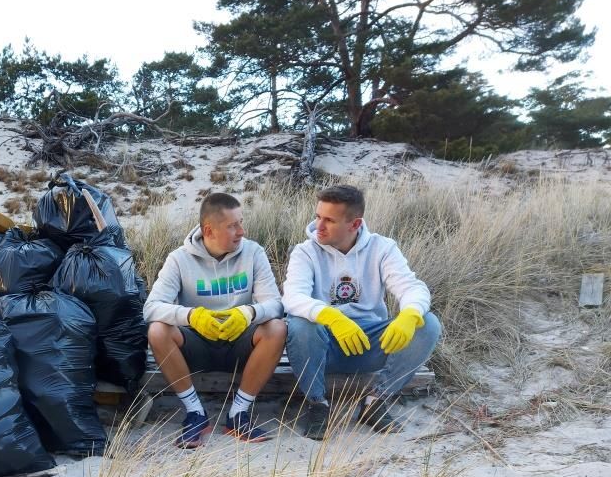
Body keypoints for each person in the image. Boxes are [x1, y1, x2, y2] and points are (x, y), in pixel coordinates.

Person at [282, 185, 442, 440]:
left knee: (428, 324)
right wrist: (332, 317)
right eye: (318, 216)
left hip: (369, 342)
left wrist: (409, 315)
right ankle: (317, 405)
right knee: (301, 325)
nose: (318, 226)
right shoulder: (306, 251)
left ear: (354, 224)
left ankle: (375, 402)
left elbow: (412, 287)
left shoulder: (382, 248)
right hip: (325, 345)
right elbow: (293, 297)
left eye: (329, 220)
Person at [143, 193, 287, 448]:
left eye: (241, 222)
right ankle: (195, 413)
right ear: (209, 230)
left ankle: (239, 414)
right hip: (197, 345)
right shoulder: (179, 259)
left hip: (239, 342)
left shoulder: (253, 252)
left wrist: (249, 313)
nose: (241, 231)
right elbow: (151, 308)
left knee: (276, 328)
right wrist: (191, 316)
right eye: (233, 225)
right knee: (157, 331)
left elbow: (275, 305)